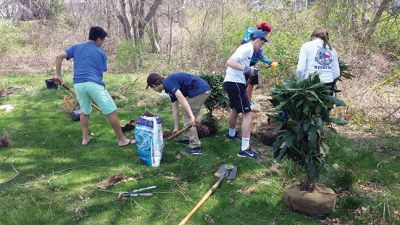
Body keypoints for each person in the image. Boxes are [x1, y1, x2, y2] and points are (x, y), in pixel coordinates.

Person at [54, 26, 131, 147]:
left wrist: (58, 75)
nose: (102, 43)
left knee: (84, 111)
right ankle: (122, 140)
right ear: (99, 39)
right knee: (111, 111)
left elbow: (59, 56)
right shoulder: (101, 53)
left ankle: (85, 139)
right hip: (94, 84)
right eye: (103, 40)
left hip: (78, 84)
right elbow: (102, 71)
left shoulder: (76, 47)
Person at [224, 30, 268, 159]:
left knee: (235, 109)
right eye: (263, 42)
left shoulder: (248, 49)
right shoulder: (247, 48)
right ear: (258, 39)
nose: (263, 45)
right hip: (234, 82)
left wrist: (250, 71)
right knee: (248, 114)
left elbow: (239, 65)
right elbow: (230, 62)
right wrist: (247, 69)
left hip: (233, 81)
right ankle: (244, 149)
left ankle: (231, 134)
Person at [146, 72, 211, 155]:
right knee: (186, 115)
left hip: (200, 90)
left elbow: (182, 98)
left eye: (152, 88)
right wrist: (175, 128)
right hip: (201, 90)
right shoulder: (168, 88)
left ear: (153, 85)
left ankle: (195, 147)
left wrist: (191, 116)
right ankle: (187, 138)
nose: (154, 90)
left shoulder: (168, 83)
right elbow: (175, 110)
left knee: (187, 118)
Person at [241, 21, 275, 109]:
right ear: (262, 30)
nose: (266, 35)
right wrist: (269, 62)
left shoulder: (256, 36)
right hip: (247, 63)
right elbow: (258, 54)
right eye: (266, 33)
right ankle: (244, 103)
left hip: (253, 63)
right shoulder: (253, 36)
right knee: (245, 84)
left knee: (251, 84)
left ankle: (248, 103)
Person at [296, 28, 340, 94]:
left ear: (313, 36)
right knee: (326, 104)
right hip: (328, 86)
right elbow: (337, 73)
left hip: (310, 84)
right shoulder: (332, 50)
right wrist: (327, 78)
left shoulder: (306, 46)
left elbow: (300, 69)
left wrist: (300, 82)